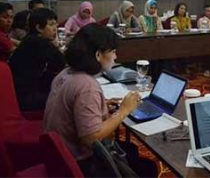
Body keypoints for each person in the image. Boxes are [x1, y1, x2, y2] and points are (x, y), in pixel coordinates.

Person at [43, 23, 157, 177]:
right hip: (80, 164)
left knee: (131, 149)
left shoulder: (66, 73)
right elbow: (91, 138)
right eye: (113, 52)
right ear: (98, 55)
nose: (116, 57)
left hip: (61, 156)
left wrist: (102, 104)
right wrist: (124, 111)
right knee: (148, 168)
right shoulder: (87, 86)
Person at [9, 8, 65, 111]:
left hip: (21, 92)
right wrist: (55, 45)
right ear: (39, 27)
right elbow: (61, 62)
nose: (55, 28)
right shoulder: (39, 43)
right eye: (51, 24)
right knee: (68, 96)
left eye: (56, 24)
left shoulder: (29, 39)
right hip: (26, 99)